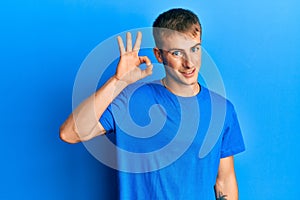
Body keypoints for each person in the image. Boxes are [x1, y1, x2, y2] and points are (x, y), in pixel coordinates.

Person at [60, 8, 245, 200]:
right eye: (176, 53)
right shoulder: (131, 100)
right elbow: (70, 133)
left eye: (195, 49)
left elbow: (224, 180)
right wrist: (118, 81)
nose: (189, 63)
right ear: (159, 55)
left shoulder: (222, 110)